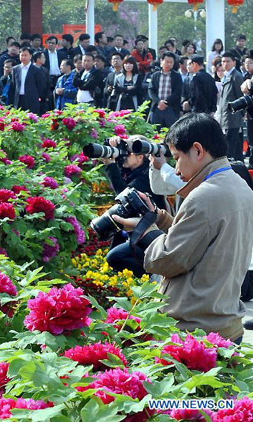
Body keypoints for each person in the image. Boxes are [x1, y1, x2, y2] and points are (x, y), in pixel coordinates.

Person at [114, 113, 253, 342]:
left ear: (198, 150)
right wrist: (160, 218)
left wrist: (146, 231)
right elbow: (204, 239)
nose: (176, 169)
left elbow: (168, 260)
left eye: (177, 157)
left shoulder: (203, 197)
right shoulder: (238, 184)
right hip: (225, 321)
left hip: (197, 331)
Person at [102, 136, 166, 277]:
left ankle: (150, 275)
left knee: (114, 257)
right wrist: (114, 148)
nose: (124, 156)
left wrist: (111, 166)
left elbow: (125, 196)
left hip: (152, 234)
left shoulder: (147, 176)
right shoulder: (133, 171)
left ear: (140, 157)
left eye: (128, 152)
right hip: (137, 230)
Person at [219, 52, 245, 161]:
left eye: (228, 61)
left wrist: (241, 115)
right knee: (235, 149)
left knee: (231, 149)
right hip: (226, 117)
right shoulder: (226, 76)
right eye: (223, 61)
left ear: (234, 62)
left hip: (233, 118)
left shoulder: (236, 76)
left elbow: (241, 98)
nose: (225, 64)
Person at [148, 52, 183, 128]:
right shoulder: (155, 75)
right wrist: (159, 102)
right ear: (161, 61)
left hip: (171, 108)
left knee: (171, 131)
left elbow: (178, 92)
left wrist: (166, 102)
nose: (169, 64)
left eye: (171, 62)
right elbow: (151, 90)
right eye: (167, 62)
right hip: (157, 107)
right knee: (155, 132)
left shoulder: (177, 76)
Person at [12, 47, 46, 114]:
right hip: (19, 99)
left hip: (32, 100)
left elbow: (41, 86)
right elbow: (14, 84)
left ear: (30, 56)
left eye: (25, 55)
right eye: (22, 55)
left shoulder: (36, 70)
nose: (23, 57)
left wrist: (36, 96)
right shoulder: (15, 69)